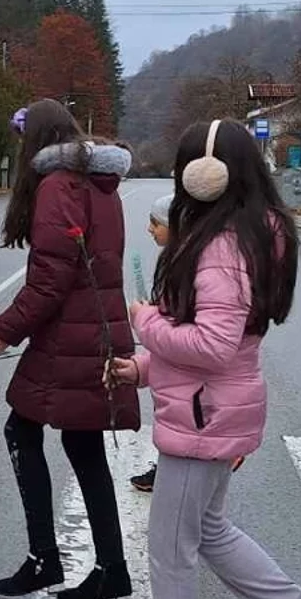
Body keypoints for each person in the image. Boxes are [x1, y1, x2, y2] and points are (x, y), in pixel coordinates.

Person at [104, 120, 301, 599]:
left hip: (202, 416)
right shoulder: (254, 231)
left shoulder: (220, 246)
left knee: (171, 549)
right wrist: (143, 370)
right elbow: (222, 339)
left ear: (205, 176)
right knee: (210, 531)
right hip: (211, 405)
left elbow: (214, 345)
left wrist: (144, 324)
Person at [0, 99, 139, 599]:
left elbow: (51, 277)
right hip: (95, 330)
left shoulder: (56, 185)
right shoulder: (101, 185)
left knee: (22, 429)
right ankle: (109, 567)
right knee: (81, 447)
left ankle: (47, 557)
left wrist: (4, 331)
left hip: (71, 333)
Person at [128, 193, 173, 495]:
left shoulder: (181, 265)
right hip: (166, 366)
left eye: (155, 223)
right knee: (167, 415)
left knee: (173, 417)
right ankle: (166, 467)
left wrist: (145, 318)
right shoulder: (171, 259)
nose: (149, 229)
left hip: (174, 365)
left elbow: (179, 322)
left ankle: (169, 471)